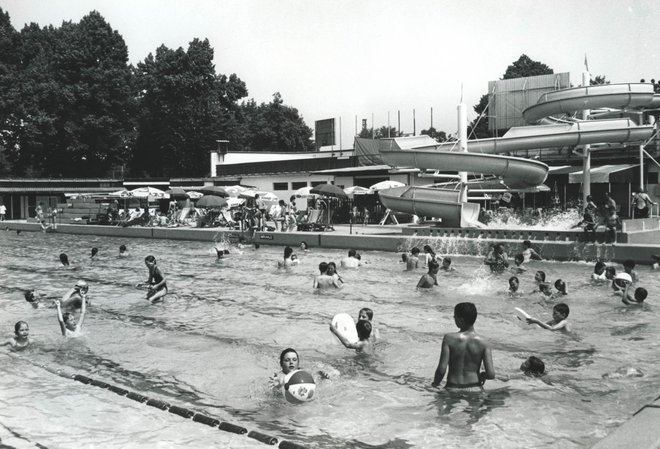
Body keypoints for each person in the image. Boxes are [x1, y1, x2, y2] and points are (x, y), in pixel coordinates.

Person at [432, 302, 495, 391]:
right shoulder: (484, 342)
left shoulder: (449, 338)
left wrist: (435, 384)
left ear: (461, 320)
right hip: (475, 388)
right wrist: (483, 375)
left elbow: (441, 369)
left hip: (452, 388)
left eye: (455, 316)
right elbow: (491, 374)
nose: (454, 318)